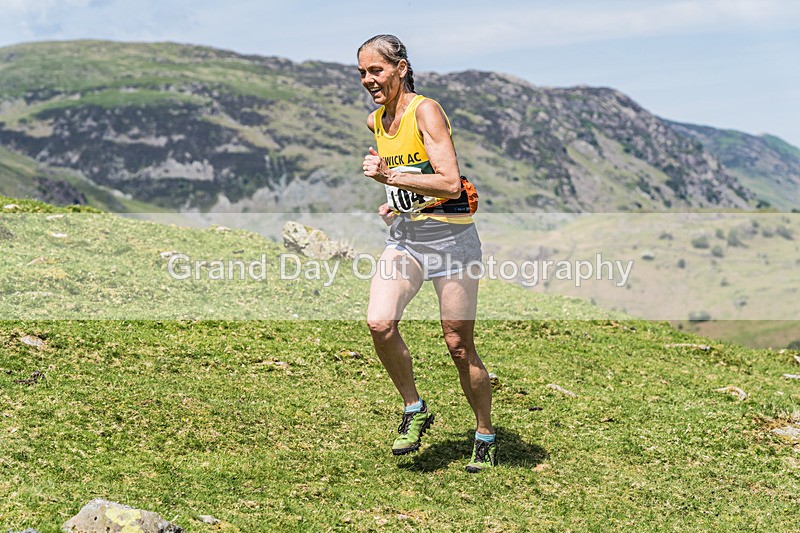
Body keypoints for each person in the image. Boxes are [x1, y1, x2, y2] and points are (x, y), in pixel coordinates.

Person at [357, 34, 496, 473]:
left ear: (400, 67)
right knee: (379, 323)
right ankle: (415, 408)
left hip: (453, 242)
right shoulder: (375, 122)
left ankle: (485, 434)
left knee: (457, 344)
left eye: (375, 70)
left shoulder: (426, 110)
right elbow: (417, 185)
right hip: (407, 238)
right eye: (361, 72)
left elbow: (450, 182)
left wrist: (389, 177)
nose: (368, 79)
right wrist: (394, 201)